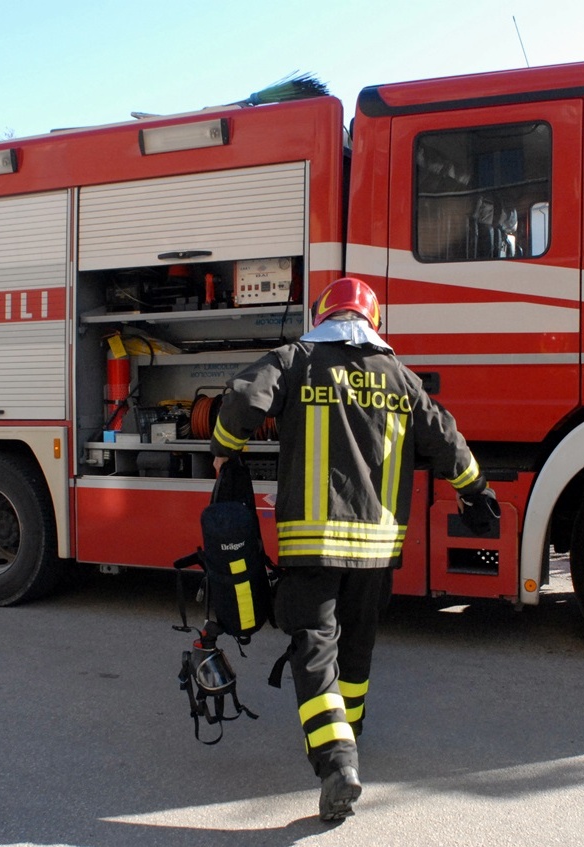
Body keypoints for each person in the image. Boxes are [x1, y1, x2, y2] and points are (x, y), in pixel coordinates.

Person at [209, 277, 498, 822]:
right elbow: (447, 439)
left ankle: (337, 759)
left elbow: (245, 398)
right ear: (373, 322)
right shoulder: (401, 378)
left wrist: (224, 451)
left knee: (314, 646)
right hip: (376, 551)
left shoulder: (296, 358)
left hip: (313, 544)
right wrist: (476, 491)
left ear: (322, 315)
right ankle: (351, 734)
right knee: (357, 649)